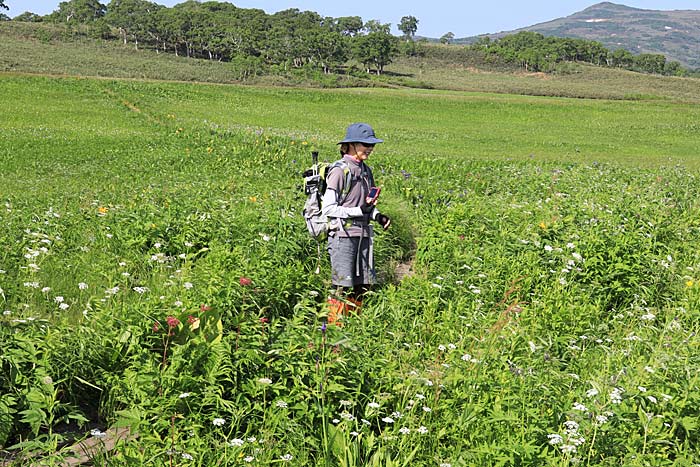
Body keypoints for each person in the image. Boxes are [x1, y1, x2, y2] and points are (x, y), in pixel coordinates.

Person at [321, 123, 391, 324]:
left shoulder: (366, 170)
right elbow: (328, 209)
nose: (370, 148)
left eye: (372, 145)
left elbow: (365, 205)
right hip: (343, 236)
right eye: (365, 144)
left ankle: (352, 326)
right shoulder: (339, 171)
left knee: (363, 285)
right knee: (341, 285)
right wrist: (358, 212)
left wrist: (378, 216)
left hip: (363, 236)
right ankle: (334, 329)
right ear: (350, 144)